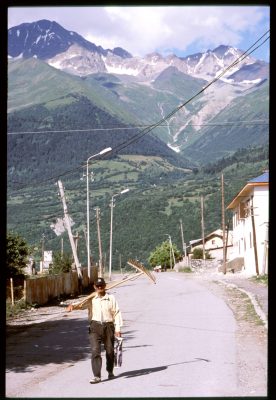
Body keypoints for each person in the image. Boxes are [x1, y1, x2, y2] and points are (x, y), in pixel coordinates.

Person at [87, 277, 123, 384]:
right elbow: (80, 305)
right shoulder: (91, 299)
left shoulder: (111, 298)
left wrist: (118, 328)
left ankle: (110, 370)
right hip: (95, 326)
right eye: (97, 286)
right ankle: (97, 376)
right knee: (95, 351)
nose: (99, 287)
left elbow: (116, 313)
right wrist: (72, 307)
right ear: (94, 287)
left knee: (110, 351)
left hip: (108, 326)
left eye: (101, 285)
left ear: (105, 286)